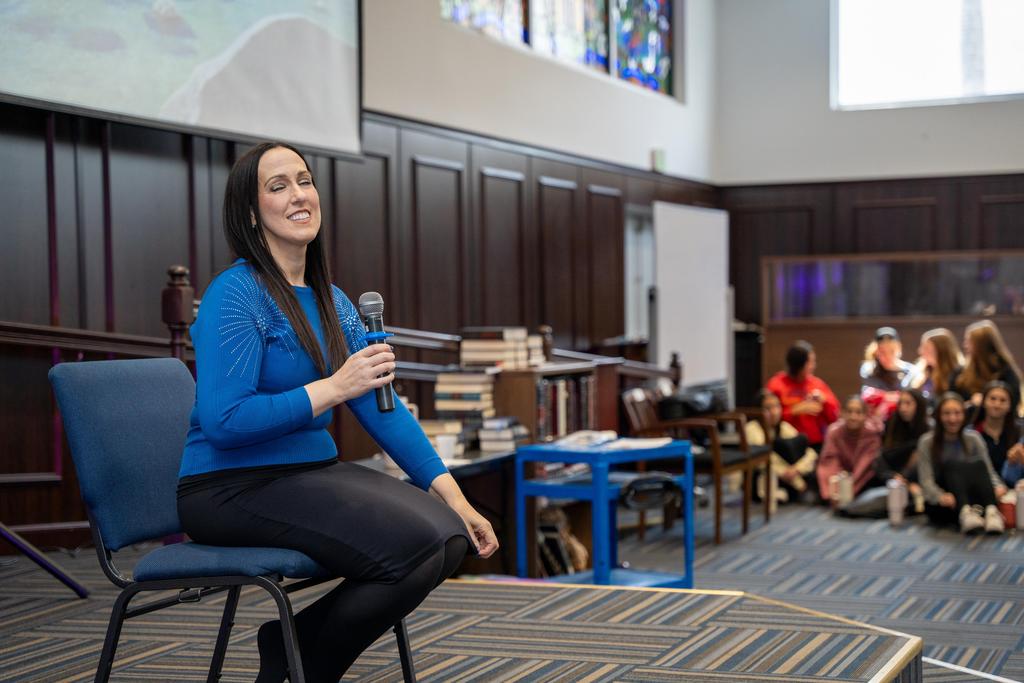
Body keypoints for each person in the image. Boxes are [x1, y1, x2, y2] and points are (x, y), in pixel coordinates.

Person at [176, 142, 498, 682]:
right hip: (228, 486)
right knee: (411, 549)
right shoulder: (235, 294)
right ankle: (307, 663)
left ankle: (292, 644)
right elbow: (225, 422)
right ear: (251, 214)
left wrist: (455, 497)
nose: (299, 195)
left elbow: (382, 408)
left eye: (305, 180)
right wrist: (332, 387)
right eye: (278, 186)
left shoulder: (333, 300)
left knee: (447, 537)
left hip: (307, 473)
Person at [916, 393, 1006, 534]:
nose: (952, 419)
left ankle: (991, 511)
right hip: (946, 499)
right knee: (953, 465)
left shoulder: (974, 438)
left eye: (957, 413)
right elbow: (926, 480)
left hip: (970, 494)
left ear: (964, 415)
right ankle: (967, 513)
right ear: (939, 416)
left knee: (977, 464)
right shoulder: (926, 442)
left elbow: (988, 470)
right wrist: (940, 496)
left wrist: (998, 486)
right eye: (947, 413)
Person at [745, 389, 818, 504]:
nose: (774, 412)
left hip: (790, 476)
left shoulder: (784, 426)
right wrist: (797, 481)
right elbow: (762, 459)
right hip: (764, 478)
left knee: (800, 442)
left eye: (776, 406)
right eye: (768, 408)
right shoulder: (752, 428)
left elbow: (810, 453)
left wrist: (797, 469)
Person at [766, 341, 840, 451]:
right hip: (786, 444)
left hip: (816, 444)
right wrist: (794, 410)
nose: (813, 366)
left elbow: (835, 416)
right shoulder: (776, 385)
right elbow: (767, 416)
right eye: (810, 362)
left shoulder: (817, 384)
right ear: (798, 365)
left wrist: (824, 401)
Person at [817, 395, 884, 501]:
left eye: (858, 412)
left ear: (865, 415)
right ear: (842, 413)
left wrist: (847, 490)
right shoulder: (834, 432)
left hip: (863, 480)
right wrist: (834, 490)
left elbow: (865, 465)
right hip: (839, 477)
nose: (853, 417)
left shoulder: (872, 434)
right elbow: (829, 461)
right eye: (849, 412)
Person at [951, 320, 1022, 415]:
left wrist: (987, 401)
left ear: (981, 345)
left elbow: (1014, 401)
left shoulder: (1005, 370)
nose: (965, 346)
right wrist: (970, 403)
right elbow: (951, 402)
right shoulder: (960, 373)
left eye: (969, 342)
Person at [876, 389, 931, 511]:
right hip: (891, 480)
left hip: (916, 481)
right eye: (900, 403)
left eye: (908, 403)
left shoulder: (928, 432)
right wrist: (893, 476)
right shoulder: (892, 423)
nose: (903, 408)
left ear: (919, 405)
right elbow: (881, 458)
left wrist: (906, 479)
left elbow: (925, 466)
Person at [859, 327, 918, 420]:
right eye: (882, 351)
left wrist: (884, 397)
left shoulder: (910, 370)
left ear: (899, 348)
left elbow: (909, 398)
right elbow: (869, 397)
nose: (888, 356)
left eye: (892, 351)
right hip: (876, 420)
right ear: (876, 351)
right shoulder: (869, 370)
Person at [972, 381, 1024, 484]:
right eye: (992, 399)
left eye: (1003, 400)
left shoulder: (1020, 433)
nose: (997, 404)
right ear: (983, 402)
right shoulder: (972, 434)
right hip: (981, 487)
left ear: (1010, 406)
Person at [910, 328, 963, 402]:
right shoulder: (920, 372)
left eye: (926, 348)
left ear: (941, 351)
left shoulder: (957, 375)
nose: (920, 351)